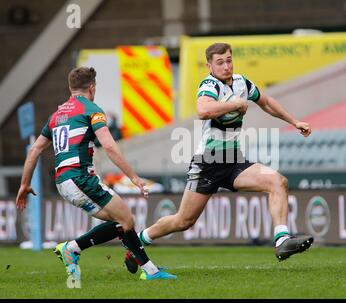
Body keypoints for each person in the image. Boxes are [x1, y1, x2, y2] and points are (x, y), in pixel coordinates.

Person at [124, 42, 314, 274]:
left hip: (234, 160)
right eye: (220, 62)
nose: (226, 66)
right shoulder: (209, 85)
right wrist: (234, 104)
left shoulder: (242, 83)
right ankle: (138, 241)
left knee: (277, 181)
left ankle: (282, 239)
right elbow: (203, 110)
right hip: (208, 162)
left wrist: (294, 122)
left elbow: (266, 102)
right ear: (209, 65)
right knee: (183, 221)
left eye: (229, 60)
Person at [15, 66, 176, 283]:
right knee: (126, 219)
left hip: (64, 181)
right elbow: (109, 146)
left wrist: (24, 184)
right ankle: (75, 249)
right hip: (80, 178)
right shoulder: (91, 109)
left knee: (122, 222)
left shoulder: (57, 115)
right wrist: (133, 177)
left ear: (71, 88)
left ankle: (148, 268)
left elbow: (35, 149)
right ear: (92, 88)